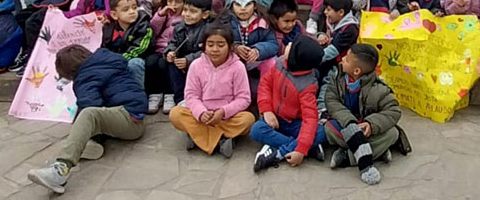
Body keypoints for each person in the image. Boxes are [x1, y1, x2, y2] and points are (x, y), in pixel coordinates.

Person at [27, 45, 147, 194]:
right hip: (136, 109)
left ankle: (61, 170)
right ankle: (89, 143)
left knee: (88, 113)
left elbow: (90, 106)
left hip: (130, 120)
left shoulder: (85, 76)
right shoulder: (107, 57)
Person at [169, 25, 255, 157]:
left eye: (221, 45)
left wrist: (223, 112)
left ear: (230, 47)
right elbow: (191, 95)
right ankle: (221, 140)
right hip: (202, 115)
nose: (215, 49)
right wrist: (201, 112)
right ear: (203, 46)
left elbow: (243, 98)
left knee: (248, 119)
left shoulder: (238, 67)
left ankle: (198, 137)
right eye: (210, 45)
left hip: (226, 116)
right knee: (175, 114)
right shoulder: (196, 65)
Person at [324, 44, 403, 185]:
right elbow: (331, 101)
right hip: (345, 124)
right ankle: (376, 152)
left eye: (347, 59)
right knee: (328, 128)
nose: (342, 59)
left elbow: (394, 110)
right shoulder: (337, 78)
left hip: (366, 130)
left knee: (392, 133)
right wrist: (349, 122)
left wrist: (371, 125)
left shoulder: (378, 88)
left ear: (356, 70)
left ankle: (348, 157)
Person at [251, 36, 327, 171]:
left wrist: (301, 150)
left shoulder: (308, 85)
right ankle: (308, 147)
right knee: (256, 130)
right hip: (274, 119)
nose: (289, 44)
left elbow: (310, 118)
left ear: (297, 57)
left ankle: (279, 153)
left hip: (295, 123)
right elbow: (265, 85)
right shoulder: (280, 63)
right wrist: (266, 110)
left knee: (321, 132)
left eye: (292, 46)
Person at [165, 0, 213, 104]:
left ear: (205, 14)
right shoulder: (179, 27)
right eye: (185, 10)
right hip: (182, 63)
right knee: (170, 64)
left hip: (201, 63)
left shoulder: (209, 29)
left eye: (193, 11)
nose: (187, 14)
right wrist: (171, 52)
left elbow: (209, 52)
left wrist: (189, 60)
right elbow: (173, 43)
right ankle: (180, 99)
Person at [226, 0, 279, 76]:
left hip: (255, 62)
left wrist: (258, 50)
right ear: (232, 6)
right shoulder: (225, 21)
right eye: (237, 4)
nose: (242, 9)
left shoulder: (263, 22)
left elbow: (273, 44)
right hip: (232, 63)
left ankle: (266, 90)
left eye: (248, 4)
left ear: (255, 5)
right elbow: (218, 42)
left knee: (272, 63)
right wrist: (235, 48)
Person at [147, 0, 187, 114]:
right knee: (151, 62)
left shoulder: (186, 17)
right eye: (170, 1)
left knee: (164, 63)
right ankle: (155, 93)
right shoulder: (163, 15)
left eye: (178, 2)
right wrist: (160, 15)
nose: (173, 5)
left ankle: (169, 93)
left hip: (175, 50)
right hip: (159, 48)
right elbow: (153, 30)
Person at [101, 0, 153, 79]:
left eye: (134, 8)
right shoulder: (108, 29)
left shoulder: (144, 26)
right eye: (126, 10)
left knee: (135, 63)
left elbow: (140, 48)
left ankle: (136, 91)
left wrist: (119, 59)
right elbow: (104, 48)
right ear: (114, 15)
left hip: (139, 58)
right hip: (116, 60)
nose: (132, 12)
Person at [317, 0, 360, 81]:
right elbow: (322, 31)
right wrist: (321, 35)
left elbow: (334, 50)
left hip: (340, 65)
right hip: (327, 58)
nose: (325, 12)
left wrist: (313, 58)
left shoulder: (350, 29)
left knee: (327, 83)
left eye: (328, 10)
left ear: (341, 12)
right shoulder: (330, 19)